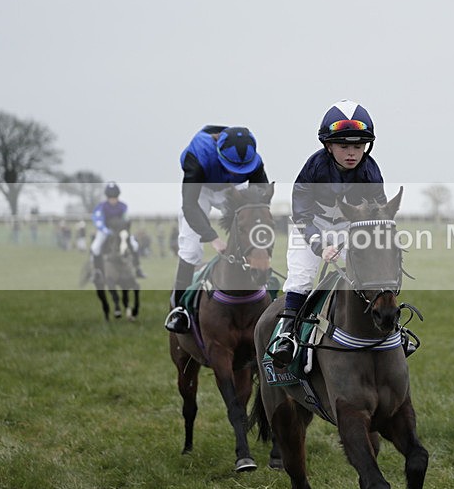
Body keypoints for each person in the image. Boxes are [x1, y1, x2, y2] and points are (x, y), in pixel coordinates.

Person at [270, 99, 395, 366]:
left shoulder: (371, 172)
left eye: (358, 146)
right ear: (328, 145)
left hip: (352, 229)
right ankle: (286, 337)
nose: (352, 153)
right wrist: (319, 246)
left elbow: (378, 216)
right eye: (344, 146)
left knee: (373, 272)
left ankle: (387, 330)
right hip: (311, 227)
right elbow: (302, 215)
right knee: (301, 278)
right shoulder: (313, 168)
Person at [164, 125, 269, 334]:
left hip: (230, 190)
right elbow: (190, 206)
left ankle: (260, 291)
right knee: (191, 250)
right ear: (219, 154)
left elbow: (261, 202)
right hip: (201, 190)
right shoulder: (197, 156)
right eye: (231, 167)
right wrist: (213, 238)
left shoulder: (255, 161)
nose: (236, 172)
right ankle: (179, 310)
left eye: (242, 169)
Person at [90, 182, 145, 281]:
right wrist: (106, 230)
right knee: (95, 247)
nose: (113, 199)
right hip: (106, 231)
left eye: (115, 197)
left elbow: (125, 219)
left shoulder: (123, 206)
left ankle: (137, 268)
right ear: (107, 197)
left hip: (120, 231)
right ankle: (97, 272)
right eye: (111, 197)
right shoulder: (101, 206)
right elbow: (98, 221)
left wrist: (125, 229)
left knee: (134, 244)